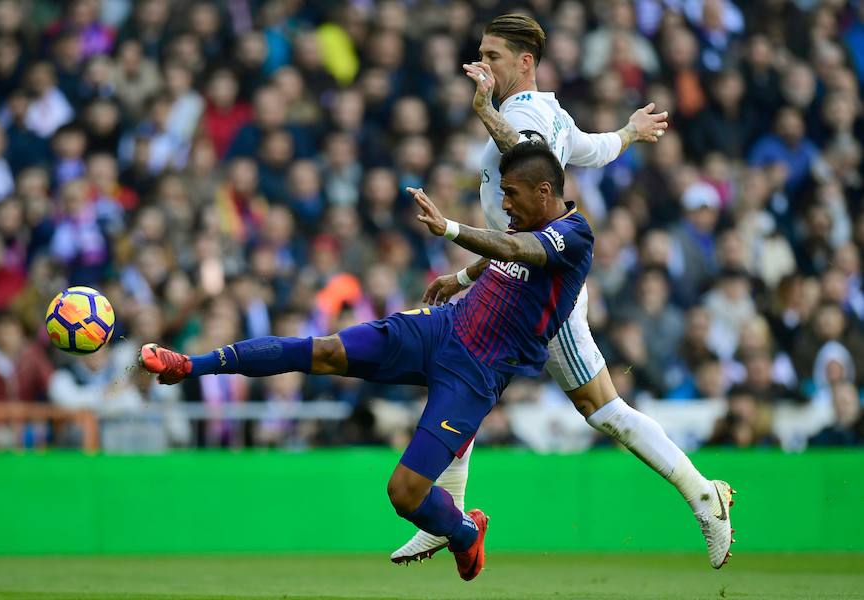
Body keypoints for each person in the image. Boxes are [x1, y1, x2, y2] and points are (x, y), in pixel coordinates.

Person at [141, 142, 600, 581]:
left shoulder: (574, 236)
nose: (505, 203)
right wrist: (461, 276)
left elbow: (521, 250)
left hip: (477, 372)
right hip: (440, 328)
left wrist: (451, 230)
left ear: (544, 191)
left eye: (511, 194)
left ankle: (464, 531)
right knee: (322, 350)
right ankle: (191, 365)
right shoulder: (527, 218)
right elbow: (508, 244)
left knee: (403, 494)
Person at [390, 13, 735, 570]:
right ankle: (446, 515)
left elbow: (530, 158)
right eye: (480, 53)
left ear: (525, 62)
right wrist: (629, 132)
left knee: (600, 408)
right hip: (516, 275)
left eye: (493, 56)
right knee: (464, 369)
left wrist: (483, 112)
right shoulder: (553, 111)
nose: (481, 65)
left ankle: (704, 495)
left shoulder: (522, 113)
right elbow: (590, 151)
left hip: (545, 294)